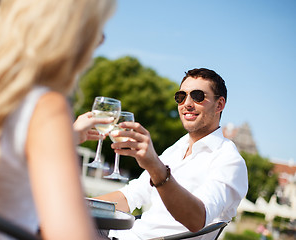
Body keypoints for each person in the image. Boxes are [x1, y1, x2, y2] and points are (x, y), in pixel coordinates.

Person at [0, 0, 116, 239]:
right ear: (72, 32)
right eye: (98, 29)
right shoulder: (47, 106)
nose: (101, 42)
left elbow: (1, 149)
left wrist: (70, 134)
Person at [97, 68, 248, 239]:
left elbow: (197, 219)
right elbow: (131, 196)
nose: (187, 104)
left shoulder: (228, 160)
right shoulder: (178, 147)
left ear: (219, 105)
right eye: (181, 97)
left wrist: (155, 166)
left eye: (198, 96)